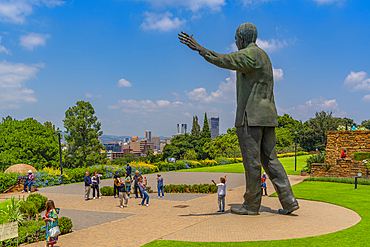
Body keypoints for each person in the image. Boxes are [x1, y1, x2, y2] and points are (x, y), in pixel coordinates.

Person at [179, 23, 299, 215]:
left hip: (250, 117)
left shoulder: (248, 55)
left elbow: (223, 59)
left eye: (236, 39)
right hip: (268, 116)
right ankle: (289, 200)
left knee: (252, 163)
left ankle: (251, 205)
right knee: (271, 160)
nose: (235, 43)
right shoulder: (264, 56)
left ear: (242, 38)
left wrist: (199, 48)